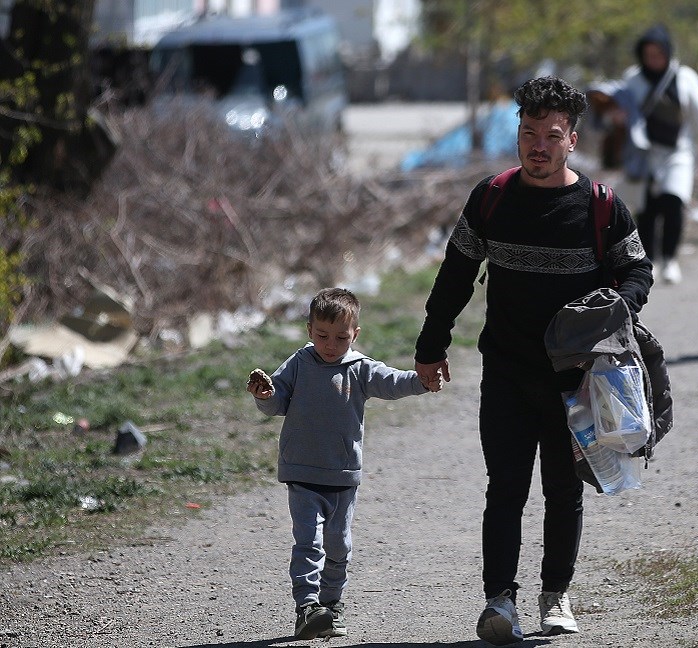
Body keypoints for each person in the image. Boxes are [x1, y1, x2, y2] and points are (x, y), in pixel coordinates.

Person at [412, 76, 653, 645]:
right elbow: (454, 278)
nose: (537, 146)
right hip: (507, 375)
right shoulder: (492, 198)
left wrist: (616, 307)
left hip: (575, 383)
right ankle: (499, 603)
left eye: (551, 135)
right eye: (527, 133)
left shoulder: (599, 207)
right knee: (505, 489)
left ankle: (555, 597)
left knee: (564, 491)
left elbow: (637, 269)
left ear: (572, 140)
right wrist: (431, 346)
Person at [246, 287, 431, 640]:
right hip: (301, 472)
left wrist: (422, 381)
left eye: (341, 337)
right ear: (309, 330)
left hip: (343, 476)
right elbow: (277, 401)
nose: (330, 345)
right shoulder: (299, 363)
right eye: (322, 336)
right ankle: (306, 607)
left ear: (355, 334)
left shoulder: (359, 368)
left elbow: (392, 381)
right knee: (308, 542)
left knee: (339, 544)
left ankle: (331, 606)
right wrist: (265, 395)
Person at [617, 24, 698, 284]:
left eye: (658, 53)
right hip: (645, 154)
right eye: (648, 54)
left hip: (678, 153)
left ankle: (670, 259)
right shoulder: (632, 79)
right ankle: (650, 260)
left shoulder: (686, 77)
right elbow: (621, 111)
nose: (653, 59)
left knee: (674, 202)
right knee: (647, 210)